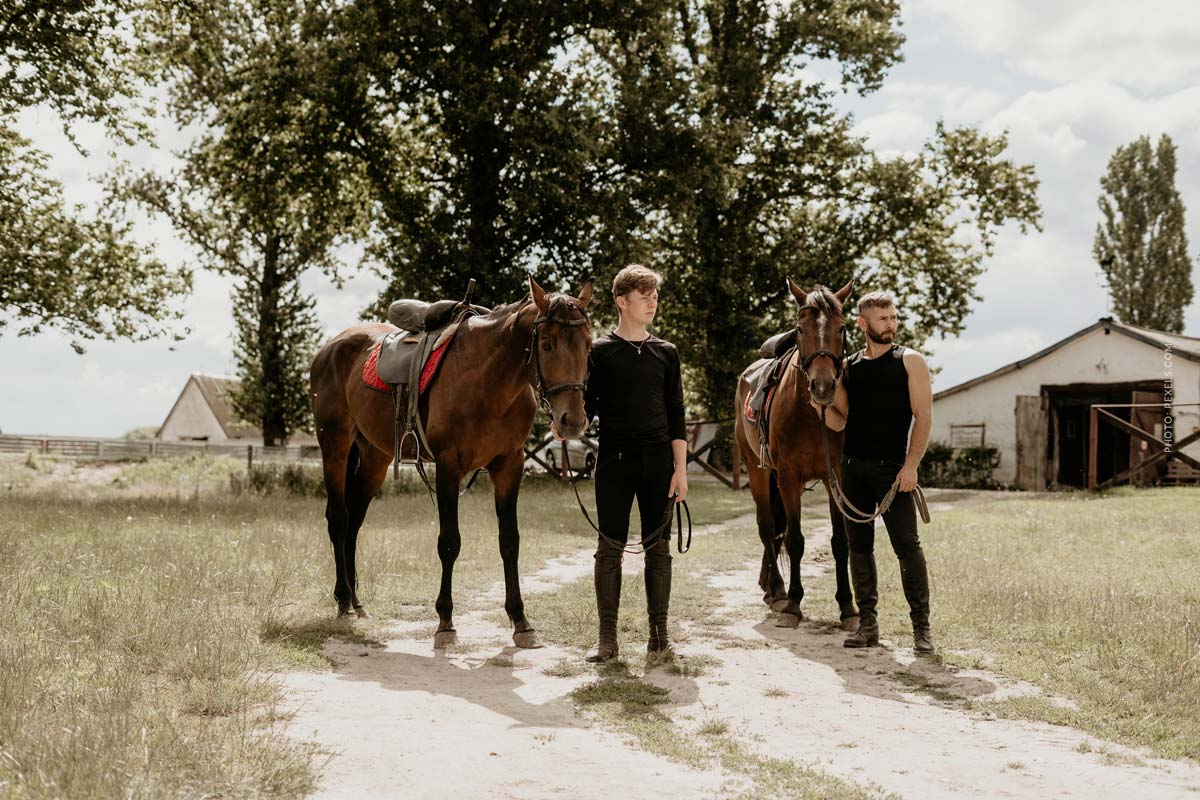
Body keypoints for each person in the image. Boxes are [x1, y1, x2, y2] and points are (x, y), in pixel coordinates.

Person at [814, 290, 936, 654]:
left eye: (893, 317)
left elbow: (924, 416)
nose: (891, 324)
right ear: (863, 324)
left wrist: (911, 465)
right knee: (859, 548)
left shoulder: (909, 361)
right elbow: (840, 422)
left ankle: (921, 630)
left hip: (894, 472)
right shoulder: (849, 367)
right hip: (853, 468)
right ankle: (867, 626)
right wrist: (819, 403)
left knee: (907, 548)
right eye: (883, 319)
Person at [581, 264, 688, 663]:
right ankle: (606, 639)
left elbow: (676, 413)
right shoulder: (598, 352)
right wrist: (566, 425)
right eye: (645, 296)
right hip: (614, 462)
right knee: (608, 549)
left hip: (659, 463)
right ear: (622, 300)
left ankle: (659, 636)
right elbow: (585, 409)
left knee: (658, 550)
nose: (653, 303)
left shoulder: (666, 352)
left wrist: (680, 470)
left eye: (655, 296)